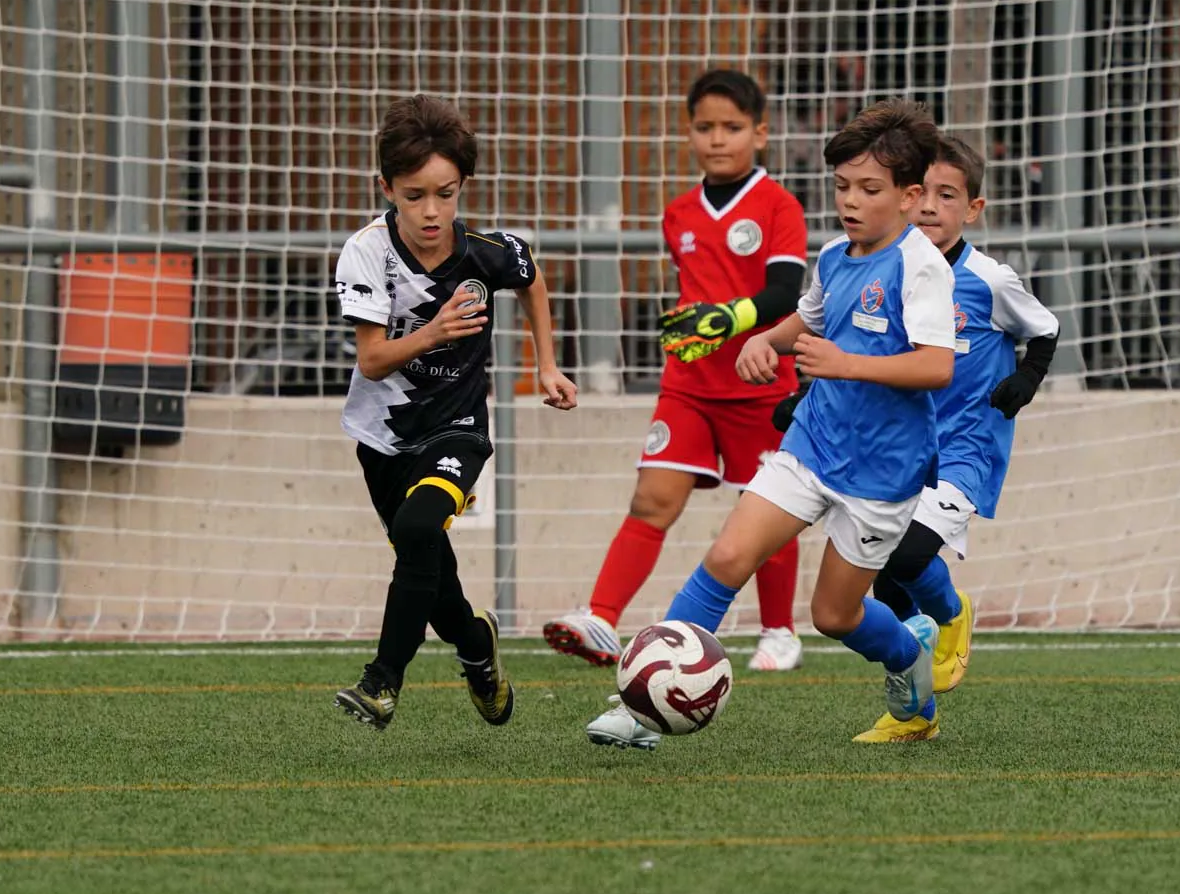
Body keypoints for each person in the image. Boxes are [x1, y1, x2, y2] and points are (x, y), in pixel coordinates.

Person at [585, 99, 956, 750]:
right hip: (812, 443)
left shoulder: (922, 267)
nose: (851, 200)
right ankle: (641, 702)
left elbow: (935, 366)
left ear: (910, 195)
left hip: (883, 469)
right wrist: (769, 340)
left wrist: (845, 362)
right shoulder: (839, 255)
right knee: (728, 555)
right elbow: (808, 317)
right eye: (842, 186)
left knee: (834, 614)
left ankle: (908, 655)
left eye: (869, 189)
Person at [542, 70, 809, 673]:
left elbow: (786, 293)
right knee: (651, 500)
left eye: (733, 128)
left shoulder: (778, 206)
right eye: (705, 127)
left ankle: (779, 632)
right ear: (688, 133)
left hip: (760, 386)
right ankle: (603, 619)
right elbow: (698, 295)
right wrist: (689, 325)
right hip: (688, 387)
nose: (718, 139)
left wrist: (728, 316)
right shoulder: (679, 213)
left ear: (760, 134)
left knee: (766, 512)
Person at [331, 94, 577, 730]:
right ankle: (477, 650)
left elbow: (531, 281)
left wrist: (545, 365)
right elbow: (374, 361)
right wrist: (436, 332)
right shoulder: (365, 254)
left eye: (446, 192)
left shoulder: (487, 253)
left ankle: (382, 683)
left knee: (417, 533)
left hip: (458, 430)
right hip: (382, 435)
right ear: (385, 187)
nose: (432, 211)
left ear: (463, 185)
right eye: (414, 196)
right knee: (432, 577)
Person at [845, 134, 1059, 742]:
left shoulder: (989, 278)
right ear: (906, 200)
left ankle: (954, 614)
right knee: (883, 581)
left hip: (967, 449)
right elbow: (868, 354)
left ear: (972, 209)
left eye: (949, 195)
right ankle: (914, 713)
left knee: (910, 557)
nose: (933, 207)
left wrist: (1026, 377)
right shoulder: (893, 274)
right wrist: (806, 397)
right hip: (901, 448)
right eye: (924, 195)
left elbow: (1045, 329)